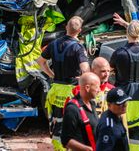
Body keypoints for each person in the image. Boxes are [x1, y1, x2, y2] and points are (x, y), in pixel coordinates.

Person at [37, 16, 90, 150]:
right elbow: (85, 69)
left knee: (58, 121)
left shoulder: (53, 44)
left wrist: (51, 74)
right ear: (79, 31)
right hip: (71, 91)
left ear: (66, 26)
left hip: (56, 90)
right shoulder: (78, 48)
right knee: (73, 122)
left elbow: (40, 61)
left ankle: (58, 147)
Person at [110, 20, 139, 151]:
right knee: (137, 127)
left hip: (123, 94)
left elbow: (111, 68)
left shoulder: (119, 53)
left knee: (121, 126)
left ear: (127, 33)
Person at [61, 72, 100, 151]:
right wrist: (87, 149)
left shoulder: (92, 104)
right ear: (87, 88)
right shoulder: (72, 109)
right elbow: (65, 140)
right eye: (97, 87)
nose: (99, 90)